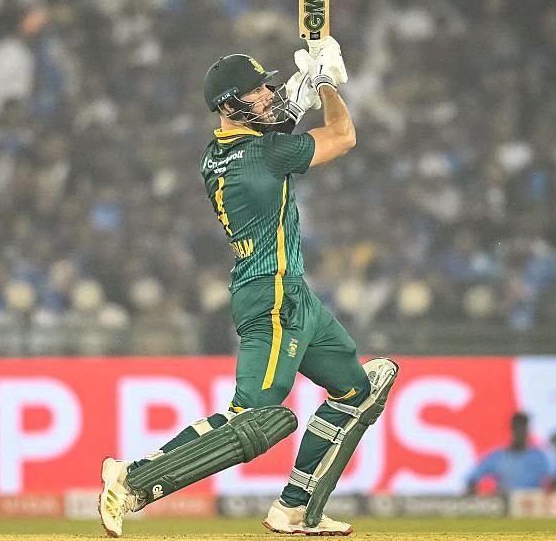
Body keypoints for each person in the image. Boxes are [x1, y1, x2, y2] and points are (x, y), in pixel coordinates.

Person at [99, 38, 398, 537]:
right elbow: (343, 136)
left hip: (290, 294)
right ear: (229, 105)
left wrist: (300, 89)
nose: (268, 96)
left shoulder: (215, 155)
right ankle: (133, 479)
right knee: (256, 416)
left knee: (358, 390)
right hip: (274, 296)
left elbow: (269, 129)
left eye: (267, 87)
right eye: (256, 91)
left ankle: (295, 508)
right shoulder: (267, 155)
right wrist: (325, 84)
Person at [467, 412, 556, 494]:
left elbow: (553, 481)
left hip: (531, 503)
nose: (520, 432)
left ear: (528, 430)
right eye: (517, 428)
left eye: (523, 428)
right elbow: (472, 479)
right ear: (512, 429)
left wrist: (552, 488)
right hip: (505, 502)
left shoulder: (540, 457)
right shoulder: (497, 457)